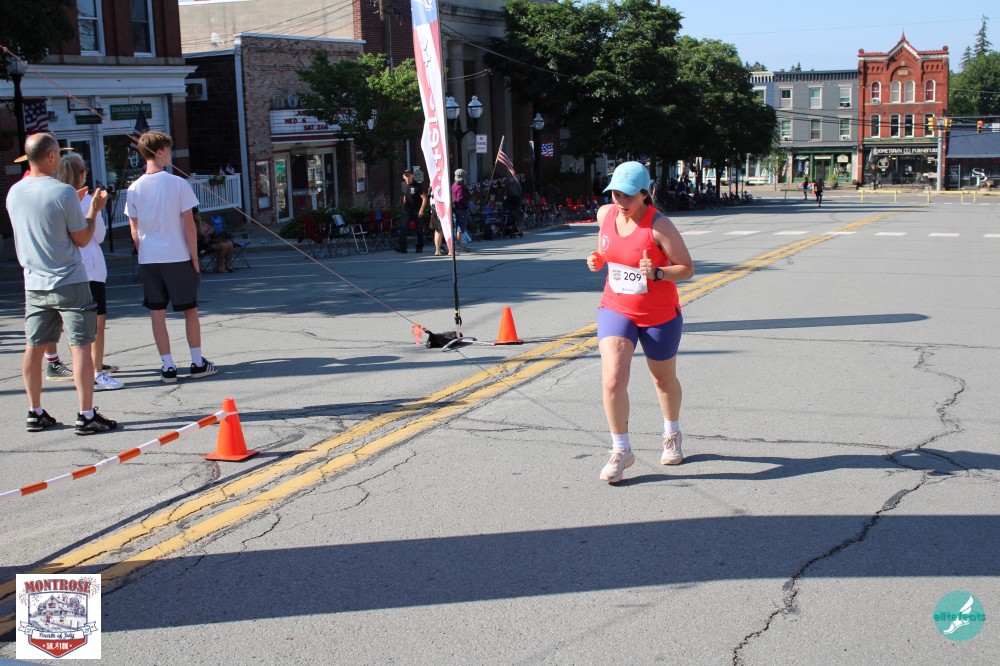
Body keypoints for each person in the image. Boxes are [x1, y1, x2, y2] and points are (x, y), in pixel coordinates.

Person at [585, 161, 694, 484]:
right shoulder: (605, 215)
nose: (620, 201)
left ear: (646, 194)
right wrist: (597, 259)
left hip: (658, 314)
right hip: (616, 308)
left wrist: (658, 272)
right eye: (616, 194)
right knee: (612, 379)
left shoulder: (659, 226)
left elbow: (687, 269)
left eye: (628, 196)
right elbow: (607, 250)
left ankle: (672, 432)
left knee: (663, 380)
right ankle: (621, 450)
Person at [5, 133, 118, 434]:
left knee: (34, 347)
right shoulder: (64, 192)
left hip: (34, 282)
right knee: (80, 346)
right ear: (51, 155)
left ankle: (35, 411)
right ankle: (86, 414)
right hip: (68, 279)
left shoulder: (14, 192)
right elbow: (82, 239)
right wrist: (93, 210)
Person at [125, 131, 218, 383]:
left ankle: (168, 366)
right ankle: (197, 362)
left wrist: (143, 251)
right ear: (159, 152)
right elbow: (189, 226)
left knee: (157, 312)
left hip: (150, 257)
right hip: (177, 255)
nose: (170, 154)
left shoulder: (133, 188)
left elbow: (134, 230)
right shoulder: (178, 184)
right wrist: (194, 258)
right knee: (190, 310)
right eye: (167, 150)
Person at [56, 151, 124, 391]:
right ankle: (96, 372)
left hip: (66, 269)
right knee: (97, 324)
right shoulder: (86, 201)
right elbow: (99, 235)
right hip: (90, 270)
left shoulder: (57, 200)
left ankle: (82, 370)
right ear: (82, 174)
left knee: (73, 326)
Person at [396, 168, 427, 253]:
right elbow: (405, 194)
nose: (407, 177)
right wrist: (404, 203)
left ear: (412, 176)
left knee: (419, 228)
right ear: (403, 176)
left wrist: (421, 210)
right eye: (406, 175)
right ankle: (402, 247)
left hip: (417, 209)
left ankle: (419, 247)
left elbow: (424, 198)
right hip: (407, 209)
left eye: (409, 175)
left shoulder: (417, 185)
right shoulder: (403, 184)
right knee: (404, 226)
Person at [195, 208, 234, 272]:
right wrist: (199, 222)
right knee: (224, 246)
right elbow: (201, 233)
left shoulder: (202, 222)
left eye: (199, 214)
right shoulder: (193, 224)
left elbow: (211, 228)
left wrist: (206, 233)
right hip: (202, 245)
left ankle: (228, 265)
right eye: (197, 214)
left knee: (230, 244)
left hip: (210, 241)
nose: (199, 215)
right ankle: (219, 266)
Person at [451, 168, 471, 254]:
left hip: (454, 209)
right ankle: (459, 246)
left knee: (456, 227)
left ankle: (457, 245)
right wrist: (466, 206)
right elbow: (460, 199)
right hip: (461, 209)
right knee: (460, 228)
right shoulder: (461, 187)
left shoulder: (453, 185)